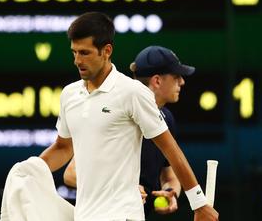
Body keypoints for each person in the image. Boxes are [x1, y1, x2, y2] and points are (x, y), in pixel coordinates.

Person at [39, 12, 218, 221]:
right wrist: (31, 171)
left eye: (85, 53)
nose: (77, 60)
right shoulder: (70, 95)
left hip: (123, 215)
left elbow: (170, 149)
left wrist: (198, 202)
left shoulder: (132, 93)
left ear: (106, 51)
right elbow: (63, 148)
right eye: (75, 53)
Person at [63, 45, 194, 217]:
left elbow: (169, 175)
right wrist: (122, 191)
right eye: (176, 77)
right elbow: (71, 174)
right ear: (157, 81)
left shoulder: (166, 119)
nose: (182, 82)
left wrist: (170, 192)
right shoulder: (116, 114)